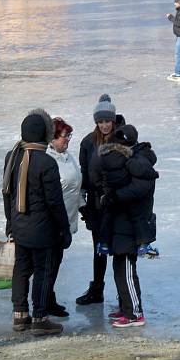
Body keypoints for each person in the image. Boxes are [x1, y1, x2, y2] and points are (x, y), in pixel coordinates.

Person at [2, 109, 72, 336]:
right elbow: (54, 202)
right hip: (42, 230)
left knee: (21, 269)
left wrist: (10, 223)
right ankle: (40, 318)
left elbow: (6, 193)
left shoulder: (12, 156)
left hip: (20, 226)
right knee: (42, 270)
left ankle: (20, 315)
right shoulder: (46, 162)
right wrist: (64, 229)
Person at [99, 123, 158, 328]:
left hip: (130, 224)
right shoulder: (132, 163)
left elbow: (141, 190)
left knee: (126, 268)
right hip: (122, 222)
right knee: (120, 267)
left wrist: (115, 196)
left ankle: (134, 313)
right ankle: (126, 307)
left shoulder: (138, 165)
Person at [75, 94, 121, 306]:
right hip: (96, 205)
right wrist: (84, 203)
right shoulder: (87, 142)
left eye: (107, 121)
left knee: (120, 250)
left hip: (118, 204)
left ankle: (125, 295)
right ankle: (97, 289)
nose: (104, 125)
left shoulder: (121, 139)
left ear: (113, 120)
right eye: (100, 121)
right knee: (99, 249)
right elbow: (84, 175)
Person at [94, 125, 158, 258]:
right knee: (138, 217)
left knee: (108, 218)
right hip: (125, 199)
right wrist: (152, 173)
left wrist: (107, 193)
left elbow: (97, 176)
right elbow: (140, 174)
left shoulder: (106, 155)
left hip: (111, 194)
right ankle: (143, 246)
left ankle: (103, 244)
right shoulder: (129, 158)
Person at [45, 117, 83, 318]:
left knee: (55, 262)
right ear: (52, 138)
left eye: (69, 135)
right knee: (49, 264)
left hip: (67, 219)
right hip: (52, 223)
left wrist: (83, 207)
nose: (67, 139)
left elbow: (75, 185)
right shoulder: (48, 159)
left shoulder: (67, 156)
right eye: (64, 136)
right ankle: (43, 302)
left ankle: (48, 299)